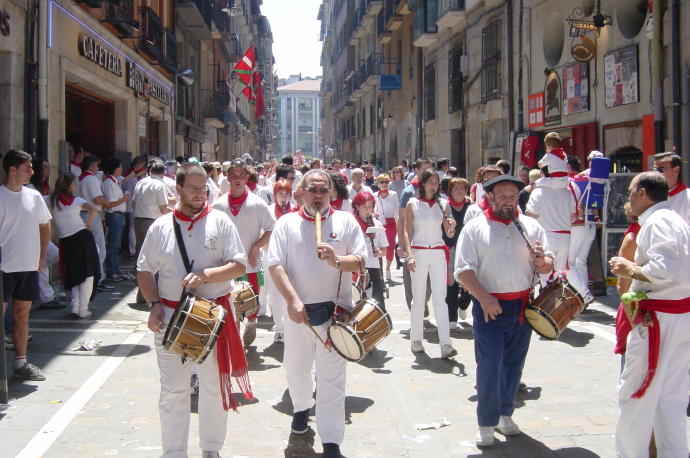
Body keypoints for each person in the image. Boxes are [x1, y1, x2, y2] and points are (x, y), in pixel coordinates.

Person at [137, 162, 252, 458]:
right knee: (173, 390)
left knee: (213, 387)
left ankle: (211, 449)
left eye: (204, 188)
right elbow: (144, 270)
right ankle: (174, 452)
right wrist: (153, 304)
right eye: (193, 188)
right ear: (178, 189)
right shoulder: (160, 227)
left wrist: (207, 276)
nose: (201, 194)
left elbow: (240, 264)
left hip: (212, 318)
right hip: (171, 318)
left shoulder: (221, 221)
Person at [266, 170, 367, 458]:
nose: (318, 195)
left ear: (332, 194)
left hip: (336, 315)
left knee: (332, 380)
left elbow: (361, 260)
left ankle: (331, 442)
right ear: (302, 192)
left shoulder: (346, 222)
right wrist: (293, 300)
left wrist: (337, 260)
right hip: (298, 313)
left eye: (324, 190)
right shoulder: (286, 224)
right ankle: (300, 408)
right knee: (296, 369)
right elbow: (275, 265)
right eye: (313, 190)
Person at [455, 174, 553, 447]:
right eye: (503, 196)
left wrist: (541, 261)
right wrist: (484, 298)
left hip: (523, 305)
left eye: (513, 196)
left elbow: (548, 264)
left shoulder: (531, 226)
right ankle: (486, 422)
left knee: (513, 364)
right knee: (489, 365)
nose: (509, 202)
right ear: (489, 197)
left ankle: (505, 413)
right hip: (489, 307)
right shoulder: (475, 228)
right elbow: (463, 270)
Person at [609, 171, 690, 458]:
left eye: (631, 191)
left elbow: (664, 270)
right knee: (671, 398)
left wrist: (627, 268)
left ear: (643, 193)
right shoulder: (674, 219)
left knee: (636, 396)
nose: (628, 197)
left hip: (659, 318)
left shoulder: (657, 222)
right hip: (678, 317)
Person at [0, 150, 52, 381]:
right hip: (4, 266)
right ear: (12, 169)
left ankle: (21, 363)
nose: (32, 171)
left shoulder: (34, 196)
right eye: (27, 168)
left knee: (22, 315)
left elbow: (44, 226)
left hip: (28, 266)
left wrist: (41, 257)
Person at [212, 159, 274, 346]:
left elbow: (271, 228)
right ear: (228, 177)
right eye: (233, 175)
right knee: (229, 302)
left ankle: (252, 323)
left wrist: (256, 246)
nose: (237, 179)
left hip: (251, 263)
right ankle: (234, 340)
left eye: (242, 175)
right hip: (226, 264)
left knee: (252, 301)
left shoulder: (258, 204)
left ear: (247, 177)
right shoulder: (218, 205)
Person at [401, 168, 458, 359]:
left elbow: (448, 234)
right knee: (418, 298)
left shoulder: (443, 204)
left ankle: (446, 344)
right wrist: (409, 255)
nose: (434, 185)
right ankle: (416, 339)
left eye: (436, 182)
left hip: (438, 253)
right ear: (423, 183)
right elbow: (407, 231)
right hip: (418, 252)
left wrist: (451, 228)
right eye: (430, 182)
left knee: (440, 299)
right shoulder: (413, 203)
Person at [49, 174, 100, 318]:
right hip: (83, 238)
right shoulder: (77, 201)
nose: (75, 186)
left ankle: (74, 306)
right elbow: (94, 210)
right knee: (88, 274)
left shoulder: (51, 201)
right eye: (74, 184)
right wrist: (88, 223)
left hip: (66, 241)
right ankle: (83, 308)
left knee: (74, 273)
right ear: (69, 186)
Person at [132, 158, 171, 302]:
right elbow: (163, 208)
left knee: (141, 257)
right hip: (153, 222)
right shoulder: (159, 185)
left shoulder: (140, 182)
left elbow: (133, 202)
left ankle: (141, 293)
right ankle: (152, 294)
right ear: (163, 172)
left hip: (139, 221)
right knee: (156, 258)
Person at [27, 157, 61, 308]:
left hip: (38, 232)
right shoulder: (30, 189)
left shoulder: (41, 187)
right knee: (47, 258)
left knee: (48, 258)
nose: (48, 170)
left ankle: (42, 292)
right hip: (33, 233)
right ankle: (46, 296)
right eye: (45, 167)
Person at [265, 179, 294, 343]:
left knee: (290, 292)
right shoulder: (268, 211)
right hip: (272, 257)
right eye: (279, 193)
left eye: (286, 194)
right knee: (275, 295)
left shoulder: (295, 212)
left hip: (291, 258)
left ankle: (289, 325)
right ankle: (279, 328)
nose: (283, 197)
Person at [77, 154, 110, 291]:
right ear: (91, 166)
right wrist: (107, 202)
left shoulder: (80, 179)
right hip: (91, 214)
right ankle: (99, 279)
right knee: (99, 247)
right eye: (96, 165)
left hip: (82, 214)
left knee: (88, 248)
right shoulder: (91, 179)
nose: (98, 168)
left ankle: (90, 279)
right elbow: (96, 199)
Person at [443, 178, 472, 327]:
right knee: (451, 282)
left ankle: (463, 303)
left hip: (468, 247)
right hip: (451, 247)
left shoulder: (471, 205)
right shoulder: (444, 205)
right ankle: (452, 317)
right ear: (451, 191)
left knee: (470, 279)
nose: (459, 190)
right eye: (456, 188)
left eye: (462, 187)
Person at [352, 191, 388, 308]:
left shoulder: (377, 224)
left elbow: (384, 249)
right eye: (364, 207)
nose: (368, 210)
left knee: (376, 304)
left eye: (370, 207)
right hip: (356, 268)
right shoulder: (352, 224)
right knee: (358, 303)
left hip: (373, 267)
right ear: (357, 207)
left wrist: (379, 252)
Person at [102, 158, 130, 282]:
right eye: (119, 167)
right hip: (114, 215)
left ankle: (115, 269)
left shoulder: (115, 181)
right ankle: (112, 271)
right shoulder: (109, 183)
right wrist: (124, 199)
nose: (121, 169)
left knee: (116, 244)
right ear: (115, 168)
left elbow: (128, 177)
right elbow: (110, 203)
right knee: (113, 244)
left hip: (119, 215)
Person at [653, 151, 690, 224]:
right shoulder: (650, 196)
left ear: (676, 170)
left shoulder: (688, 198)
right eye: (654, 170)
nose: (656, 174)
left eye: (661, 170)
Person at [374, 174, 398, 280]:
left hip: (391, 223)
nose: (384, 184)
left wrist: (399, 225)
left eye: (386, 182)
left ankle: (388, 268)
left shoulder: (393, 194)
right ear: (378, 184)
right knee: (378, 246)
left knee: (390, 247)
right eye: (382, 182)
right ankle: (379, 270)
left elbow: (397, 210)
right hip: (379, 223)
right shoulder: (374, 195)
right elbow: (373, 207)